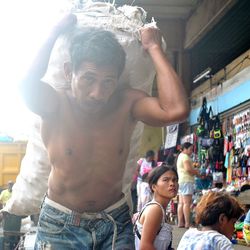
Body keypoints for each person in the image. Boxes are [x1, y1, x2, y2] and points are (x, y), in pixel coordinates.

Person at [19, 13, 189, 249]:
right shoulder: (55, 104)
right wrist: (53, 33)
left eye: (108, 81)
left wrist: (153, 47)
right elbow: (26, 85)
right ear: (69, 72)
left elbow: (176, 110)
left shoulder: (127, 103)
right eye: (89, 79)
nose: (97, 93)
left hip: (114, 221)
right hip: (60, 224)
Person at [177, 191, 244, 250]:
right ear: (222, 219)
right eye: (233, 223)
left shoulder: (189, 234)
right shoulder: (221, 242)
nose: (234, 228)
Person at [134, 164, 178, 250]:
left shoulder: (159, 209)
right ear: (154, 186)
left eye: (175, 180)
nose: (172, 184)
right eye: (166, 180)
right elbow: (145, 247)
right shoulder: (155, 209)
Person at [177, 142, 199, 228]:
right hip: (187, 180)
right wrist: (196, 172)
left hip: (181, 181)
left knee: (181, 203)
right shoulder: (185, 157)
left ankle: (180, 222)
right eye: (190, 149)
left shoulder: (180, 156)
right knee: (187, 203)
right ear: (185, 149)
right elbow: (188, 169)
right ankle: (187, 223)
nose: (191, 151)